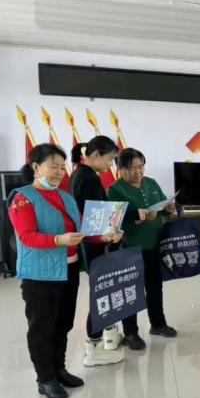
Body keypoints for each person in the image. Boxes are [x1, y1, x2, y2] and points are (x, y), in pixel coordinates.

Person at [8, 143, 85, 398]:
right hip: (40, 275)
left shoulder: (66, 197)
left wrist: (106, 234)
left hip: (70, 268)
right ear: (36, 167)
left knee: (63, 323)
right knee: (42, 327)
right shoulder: (22, 198)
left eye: (62, 167)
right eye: (53, 166)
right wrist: (58, 240)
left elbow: (82, 230)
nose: (59, 172)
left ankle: (59, 369)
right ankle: (45, 378)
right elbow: (27, 236)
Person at [70, 136, 132, 367]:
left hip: (94, 243)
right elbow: (95, 220)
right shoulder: (87, 179)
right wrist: (112, 232)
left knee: (103, 292)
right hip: (95, 245)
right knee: (101, 295)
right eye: (110, 159)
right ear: (96, 154)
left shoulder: (82, 174)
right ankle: (94, 348)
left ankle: (107, 338)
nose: (111, 165)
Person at [107, 148, 178, 339]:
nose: (138, 172)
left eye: (141, 167)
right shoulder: (115, 189)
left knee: (155, 287)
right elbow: (114, 220)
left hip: (155, 244)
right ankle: (131, 333)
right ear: (121, 168)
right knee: (131, 291)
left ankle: (158, 324)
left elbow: (162, 207)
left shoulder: (151, 183)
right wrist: (138, 216)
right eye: (132, 168)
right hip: (131, 247)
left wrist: (169, 208)